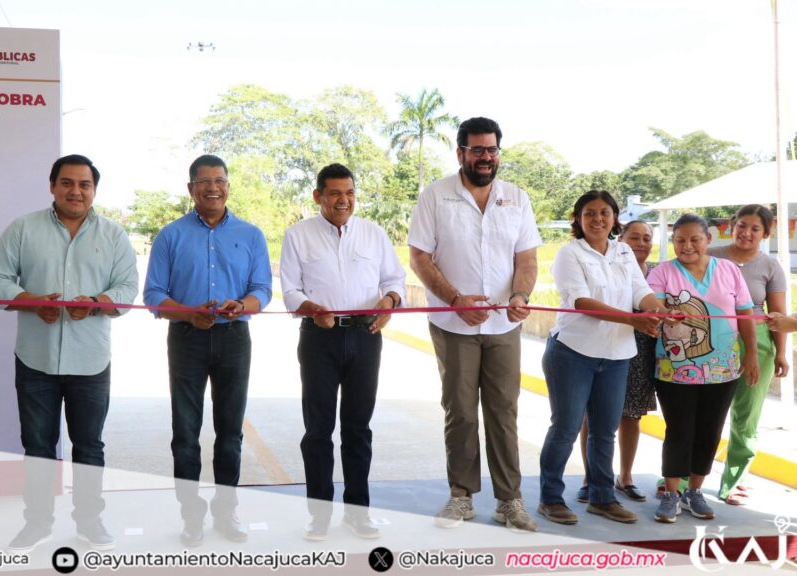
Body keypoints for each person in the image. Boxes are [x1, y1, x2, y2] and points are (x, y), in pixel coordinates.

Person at [0, 154, 139, 551]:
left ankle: (89, 522)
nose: (76, 191)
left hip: (91, 361)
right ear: (52, 186)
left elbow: (127, 288)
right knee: (38, 447)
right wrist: (31, 301)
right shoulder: (23, 229)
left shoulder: (114, 235)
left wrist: (98, 303)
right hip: (35, 359)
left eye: (84, 184)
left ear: (94, 190)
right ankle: (37, 524)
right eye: (67, 183)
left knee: (89, 446)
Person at [408, 117, 542, 532]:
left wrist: (520, 296)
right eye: (478, 149)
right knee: (461, 412)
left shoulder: (516, 198)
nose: (486, 157)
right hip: (453, 324)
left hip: (504, 326)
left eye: (492, 149)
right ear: (461, 153)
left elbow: (527, 258)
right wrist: (454, 299)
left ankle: (509, 500)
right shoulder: (435, 196)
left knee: (503, 412)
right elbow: (419, 257)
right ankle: (461, 497)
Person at [143, 154, 272, 546]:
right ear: (191, 188)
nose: (213, 188)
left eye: (220, 181)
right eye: (204, 182)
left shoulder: (251, 235)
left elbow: (262, 289)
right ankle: (191, 516)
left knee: (230, 433)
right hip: (186, 339)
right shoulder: (171, 235)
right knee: (185, 433)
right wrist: (188, 313)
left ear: (228, 186)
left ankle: (226, 512)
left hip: (235, 338)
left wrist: (242, 305)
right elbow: (153, 294)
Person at [279, 163, 406, 541]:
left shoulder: (373, 233)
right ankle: (319, 516)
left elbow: (394, 279)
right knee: (318, 430)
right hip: (319, 338)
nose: (343, 200)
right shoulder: (298, 235)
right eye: (334, 193)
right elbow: (290, 290)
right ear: (318, 196)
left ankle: (357, 513)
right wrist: (312, 309)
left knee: (358, 429)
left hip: (366, 336)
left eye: (349, 193)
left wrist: (390, 300)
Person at [537, 192, 662, 526]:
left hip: (617, 355)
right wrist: (634, 320)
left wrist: (658, 309)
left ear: (614, 218)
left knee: (605, 432)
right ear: (578, 219)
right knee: (565, 429)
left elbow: (640, 291)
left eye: (604, 212)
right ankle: (550, 499)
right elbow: (580, 302)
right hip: (572, 353)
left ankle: (602, 499)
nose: (597, 219)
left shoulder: (623, 251)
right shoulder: (569, 253)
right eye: (589, 213)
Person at [647, 213, 758, 523]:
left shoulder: (729, 270)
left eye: (695, 239)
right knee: (679, 430)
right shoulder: (663, 272)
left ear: (708, 240)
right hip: (674, 370)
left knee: (710, 431)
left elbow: (745, 314)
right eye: (680, 240)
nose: (687, 246)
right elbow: (652, 304)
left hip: (723, 370)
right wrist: (662, 312)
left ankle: (695, 491)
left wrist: (751, 353)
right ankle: (671, 494)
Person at [709, 205, 788, 505]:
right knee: (703, 411)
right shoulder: (710, 255)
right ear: (732, 225)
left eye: (755, 229)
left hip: (758, 345)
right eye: (742, 225)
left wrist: (781, 353)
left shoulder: (770, 266)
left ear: (766, 234)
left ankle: (735, 480)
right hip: (711, 343)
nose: (746, 233)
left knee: (747, 415)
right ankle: (682, 476)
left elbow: (778, 314)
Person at [575, 221, 659, 504]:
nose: (641, 243)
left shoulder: (659, 272)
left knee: (632, 415)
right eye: (634, 237)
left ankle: (626, 477)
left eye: (647, 238)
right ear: (620, 239)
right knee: (594, 417)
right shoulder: (607, 265)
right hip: (604, 348)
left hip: (642, 353)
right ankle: (591, 478)